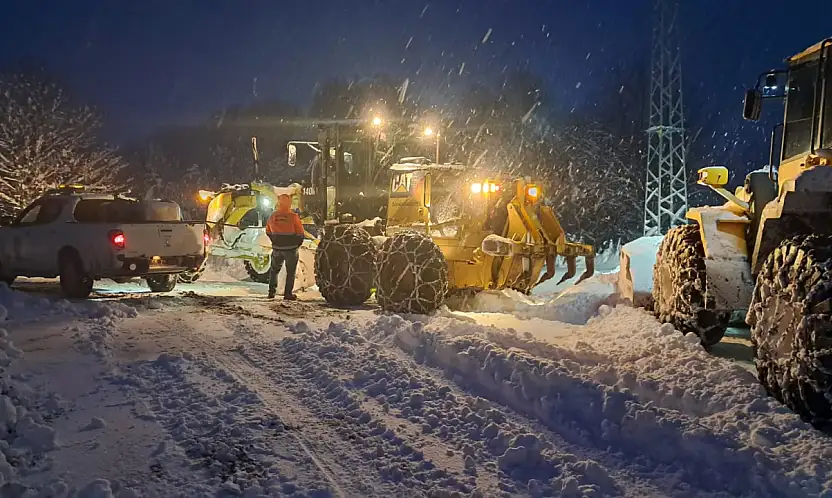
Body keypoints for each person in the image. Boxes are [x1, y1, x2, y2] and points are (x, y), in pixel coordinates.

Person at [265, 194, 304, 300]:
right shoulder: (293, 216)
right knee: (290, 272)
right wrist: (296, 244)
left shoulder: (273, 216)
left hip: (277, 249)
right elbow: (300, 232)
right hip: (291, 249)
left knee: (274, 271)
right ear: (289, 203)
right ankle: (288, 294)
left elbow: (268, 231)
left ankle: (271, 293)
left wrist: (275, 241)